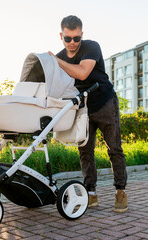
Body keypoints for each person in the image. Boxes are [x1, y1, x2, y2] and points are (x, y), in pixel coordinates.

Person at [49, 15, 128, 213]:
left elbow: (82, 73)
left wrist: (56, 62)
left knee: (114, 148)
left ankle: (120, 191)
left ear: (82, 35)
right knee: (85, 150)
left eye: (76, 38)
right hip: (83, 107)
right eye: (68, 39)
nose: (73, 43)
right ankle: (90, 193)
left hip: (105, 103)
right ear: (61, 36)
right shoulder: (59, 57)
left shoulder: (92, 47)